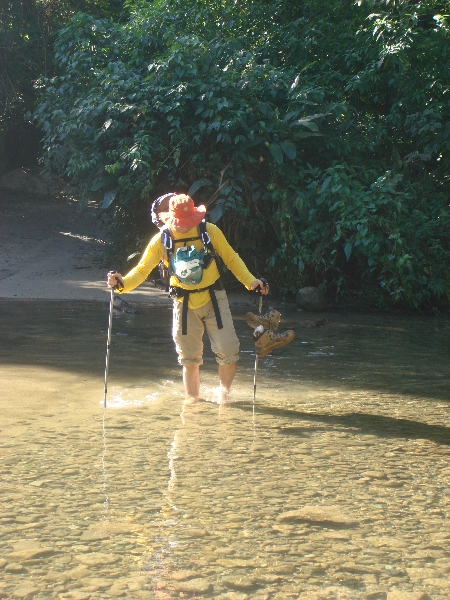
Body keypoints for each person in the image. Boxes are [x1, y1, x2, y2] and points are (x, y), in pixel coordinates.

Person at [107, 193, 294, 402]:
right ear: (169, 218)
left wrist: (251, 282)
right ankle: (192, 403)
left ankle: (224, 397)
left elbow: (232, 259)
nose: (187, 226)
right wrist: (121, 284)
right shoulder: (162, 239)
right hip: (183, 303)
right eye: (182, 222)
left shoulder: (209, 231)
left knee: (229, 351)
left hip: (214, 298)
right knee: (189, 359)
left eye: (190, 221)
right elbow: (142, 271)